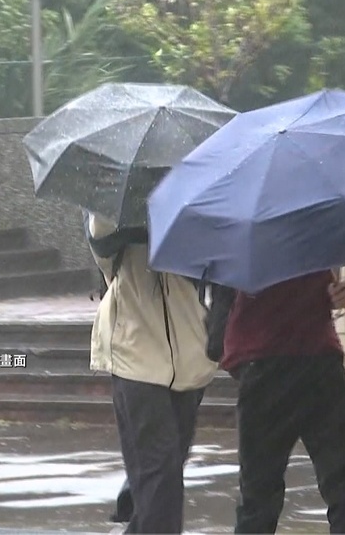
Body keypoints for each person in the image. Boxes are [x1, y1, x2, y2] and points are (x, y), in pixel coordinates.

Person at [85, 211, 219, 534]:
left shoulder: (191, 212)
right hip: (136, 356)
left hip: (188, 358)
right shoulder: (113, 215)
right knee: (161, 475)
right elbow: (100, 235)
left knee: (164, 476)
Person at [221, 269, 345, 534]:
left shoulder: (319, 232)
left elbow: (330, 284)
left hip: (316, 363)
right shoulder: (240, 238)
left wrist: (341, 293)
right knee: (259, 501)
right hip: (269, 367)